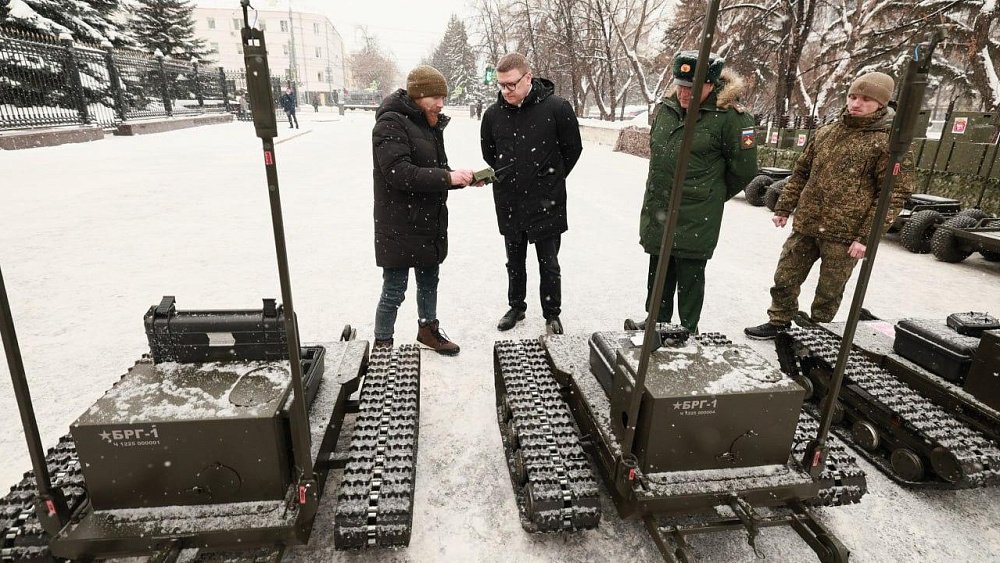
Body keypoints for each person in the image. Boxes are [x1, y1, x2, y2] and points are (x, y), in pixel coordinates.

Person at [744, 71, 914, 339]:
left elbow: (892, 194)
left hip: (846, 234)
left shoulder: (888, 143)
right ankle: (779, 320)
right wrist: (784, 207)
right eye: (852, 96)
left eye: (866, 99)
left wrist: (865, 237)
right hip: (808, 223)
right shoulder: (827, 132)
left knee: (829, 291)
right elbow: (802, 172)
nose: (856, 104)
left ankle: (818, 332)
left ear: (881, 104)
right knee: (785, 277)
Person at [632, 51, 758, 334]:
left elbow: (745, 169)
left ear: (711, 84)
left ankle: (687, 328)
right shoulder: (666, 109)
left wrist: (710, 193)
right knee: (659, 268)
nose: (684, 93)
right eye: (681, 85)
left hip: (698, 211)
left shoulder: (730, 118)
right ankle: (656, 321)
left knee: (690, 272)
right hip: (660, 206)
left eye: (692, 87)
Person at [372, 65, 477, 355]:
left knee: (430, 281)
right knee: (394, 290)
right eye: (436, 97)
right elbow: (399, 173)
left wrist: (460, 179)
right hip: (399, 223)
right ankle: (383, 343)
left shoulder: (427, 123)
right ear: (418, 95)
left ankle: (428, 330)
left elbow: (434, 170)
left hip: (427, 221)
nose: (442, 103)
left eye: (443, 97)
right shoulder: (390, 123)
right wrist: (447, 178)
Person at [480, 53, 582, 335]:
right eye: (501, 85)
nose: (506, 91)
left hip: (546, 201)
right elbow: (490, 153)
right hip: (509, 200)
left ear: (528, 78)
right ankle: (516, 306)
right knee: (514, 260)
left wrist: (550, 179)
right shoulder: (493, 115)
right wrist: (510, 177)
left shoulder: (557, 108)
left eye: (511, 84)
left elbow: (572, 149)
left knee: (548, 262)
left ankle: (552, 314)